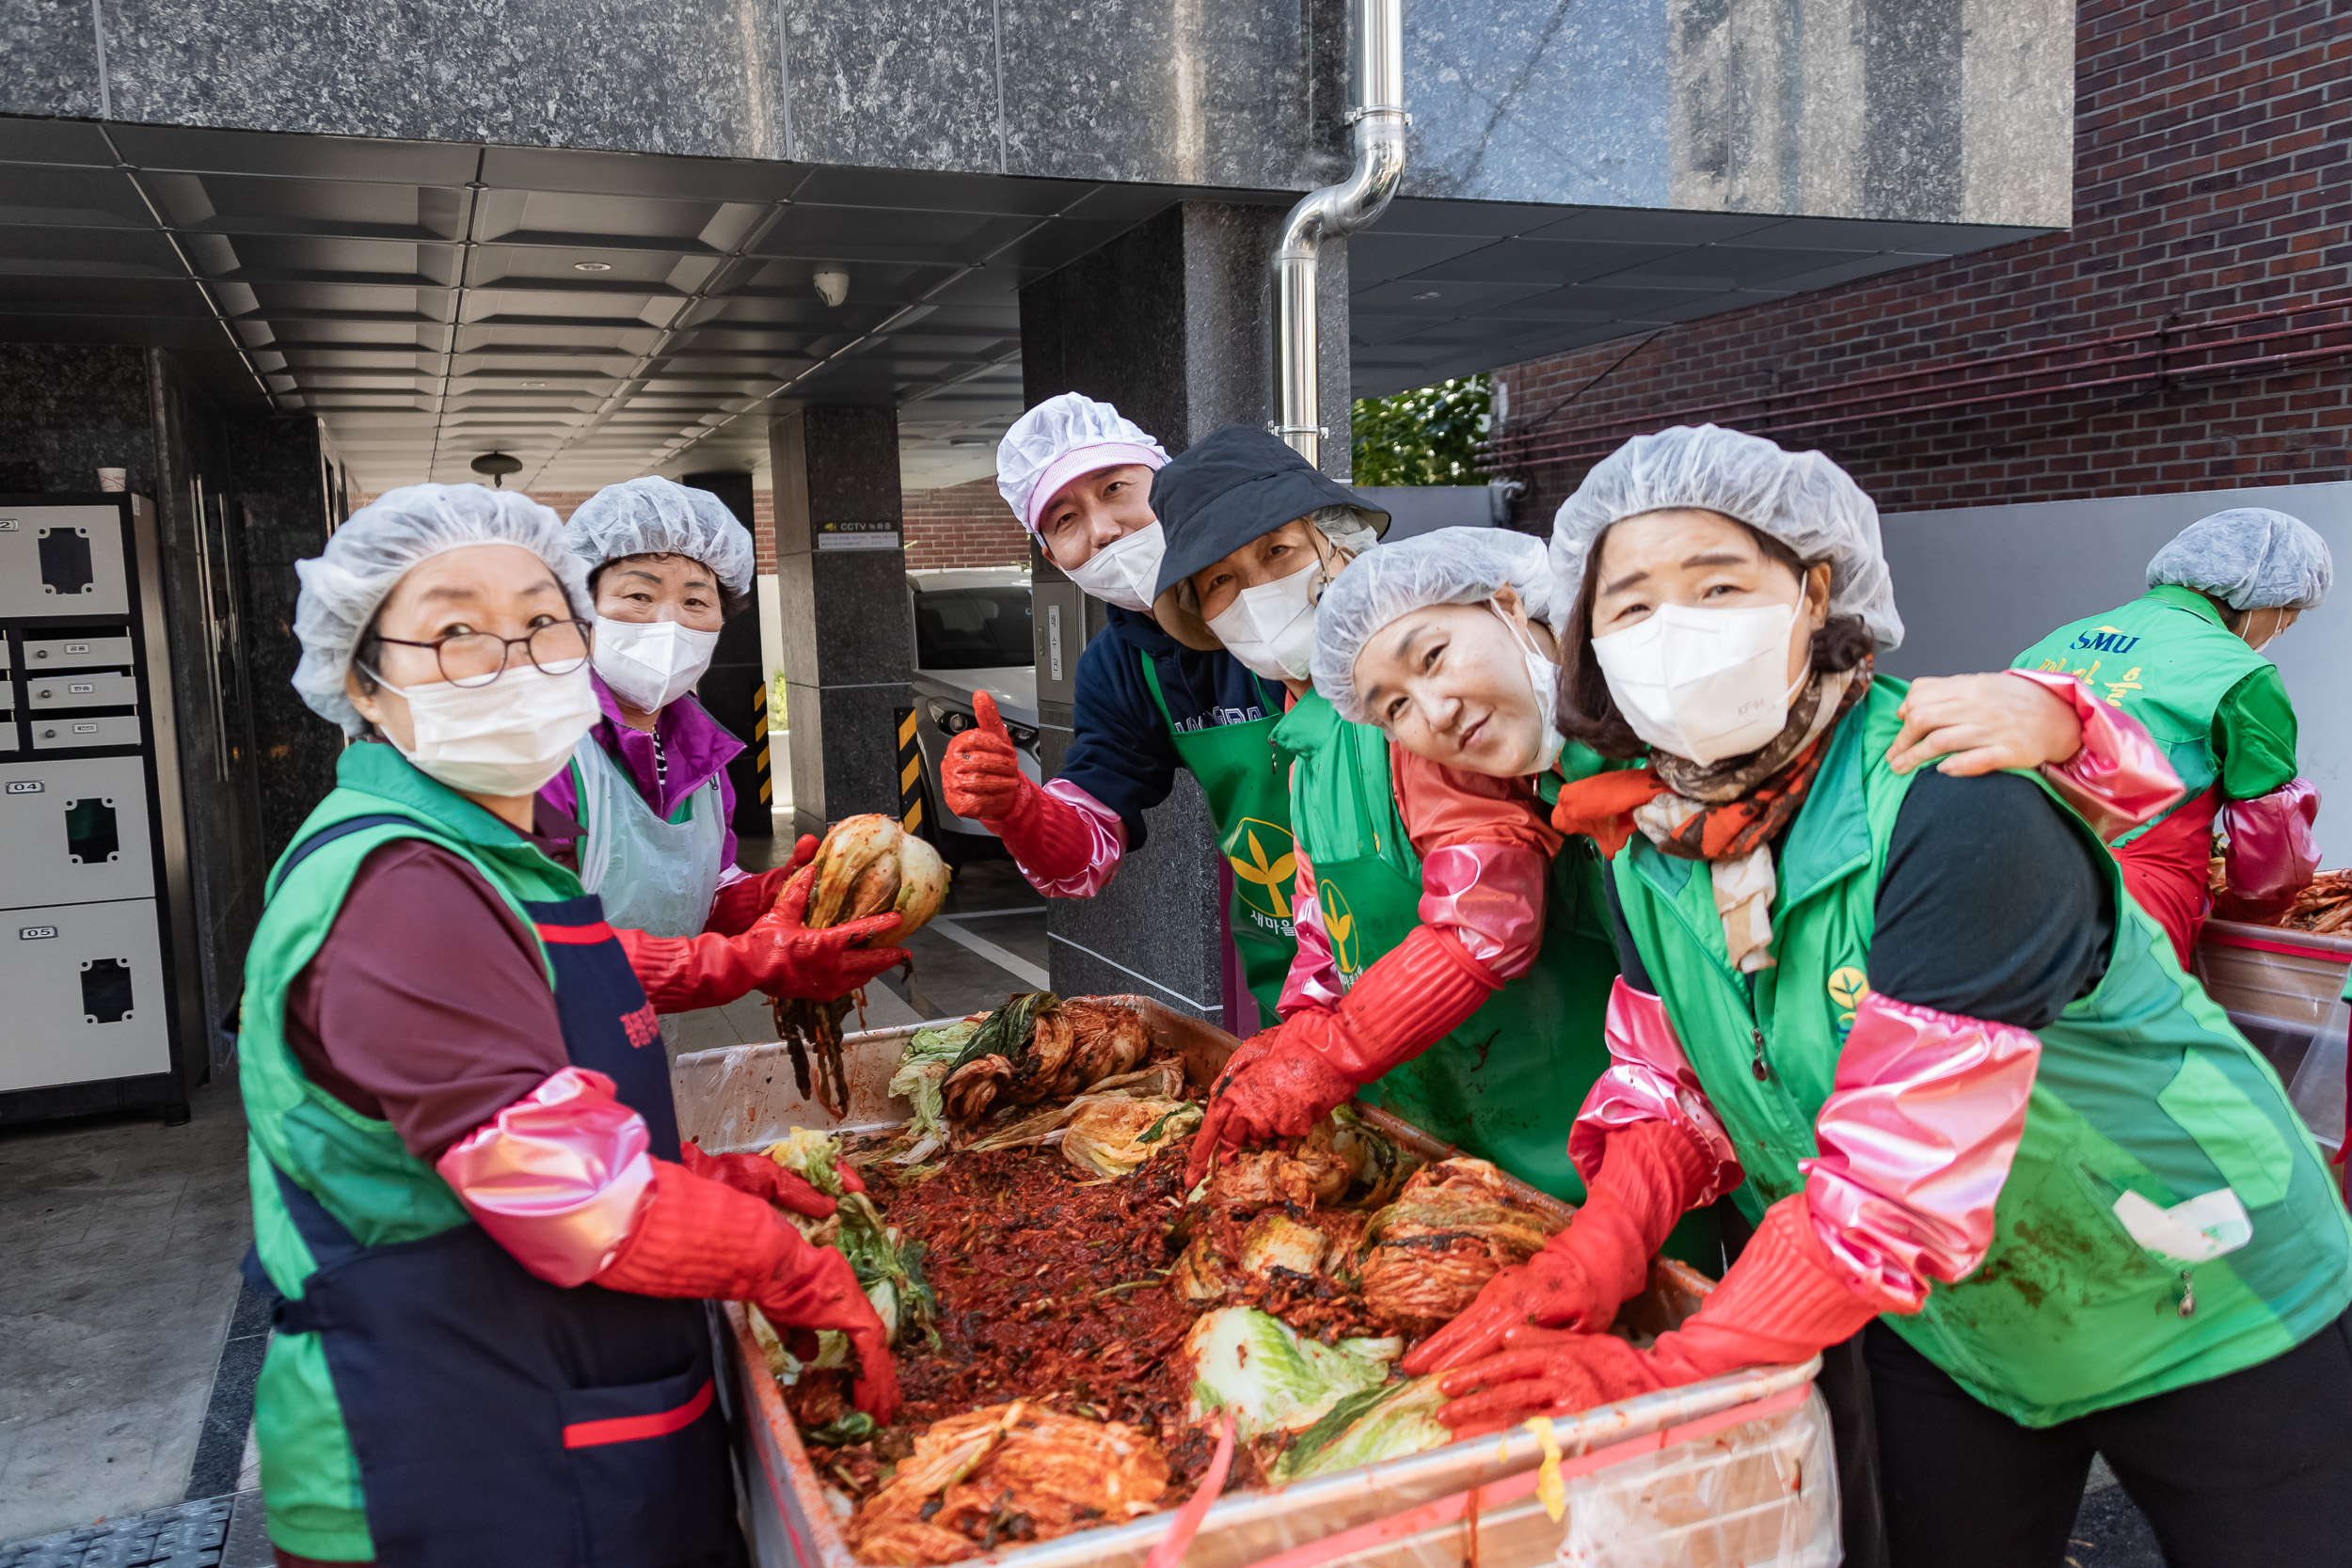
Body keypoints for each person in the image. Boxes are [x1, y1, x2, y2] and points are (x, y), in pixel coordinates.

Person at [1406, 427, 2352, 1568]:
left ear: (1813, 592)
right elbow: (1667, 1081)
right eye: (1633, 605)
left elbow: (1893, 1180)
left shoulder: (1953, 805)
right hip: (1952, 1321)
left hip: (2202, 1288)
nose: (1676, 632)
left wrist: (1674, 1372)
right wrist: (1598, 1244)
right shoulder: (1646, 839)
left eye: (1717, 584)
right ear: (1589, 640)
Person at [241, 484, 906, 1568]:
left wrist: (704, 1175)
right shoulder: (396, 884)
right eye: (455, 630)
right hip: (449, 1460)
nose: (513, 656)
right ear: (364, 684)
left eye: (540, 622)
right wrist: (786, 1262)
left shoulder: (480, 848)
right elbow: (568, 1189)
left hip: (555, 1414)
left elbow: (537, 1052)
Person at [942, 395, 1375, 1017]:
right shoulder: (1124, 667)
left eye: (1116, 487)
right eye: (1065, 520)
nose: (1103, 528)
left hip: (1440, 936)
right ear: (1048, 555)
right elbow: (1088, 840)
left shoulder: (1314, 604)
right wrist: (1019, 808)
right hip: (1294, 977)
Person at [2016, 506, 2330, 966]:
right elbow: (2273, 838)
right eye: (2290, 613)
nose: (2284, 628)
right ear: (2263, 596)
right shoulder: (2241, 673)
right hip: (2134, 907)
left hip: (2008, 876)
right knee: (2119, 1035)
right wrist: (2248, 913)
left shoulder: (2051, 644)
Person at [541, 475, 787, 947]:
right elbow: (536, 933)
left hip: (648, 1022)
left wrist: (779, 894)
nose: (669, 623)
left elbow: (705, 885)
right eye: (639, 596)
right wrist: (718, 969)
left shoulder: (703, 757)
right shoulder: (543, 751)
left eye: (696, 601)